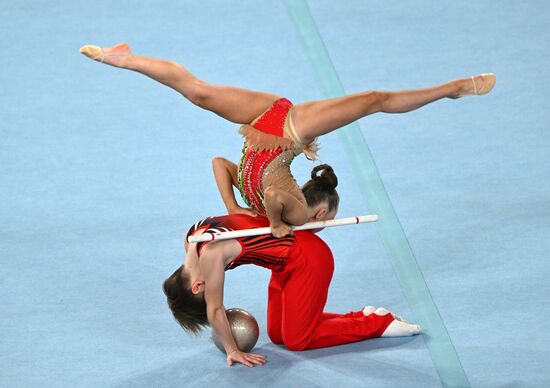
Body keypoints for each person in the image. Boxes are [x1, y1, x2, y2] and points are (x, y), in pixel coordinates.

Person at [80, 43, 496, 237]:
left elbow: (220, 164)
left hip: (265, 120)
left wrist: (236, 208)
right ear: (317, 213)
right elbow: (278, 202)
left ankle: (124, 58)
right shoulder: (292, 211)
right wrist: (274, 223)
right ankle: (451, 88)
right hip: (291, 126)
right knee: (373, 101)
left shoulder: (264, 204)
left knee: (199, 94)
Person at [162, 165, 421, 367]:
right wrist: (232, 205)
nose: (213, 295)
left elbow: (216, 309)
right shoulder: (192, 237)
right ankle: (362, 315)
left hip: (308, 260)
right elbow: (218, 163)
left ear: (197, 286)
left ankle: (380, 323)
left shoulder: (210, 257)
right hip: (283, 265)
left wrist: (232, 350)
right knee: (278, 334)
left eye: (205, 296)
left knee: (298, 340)